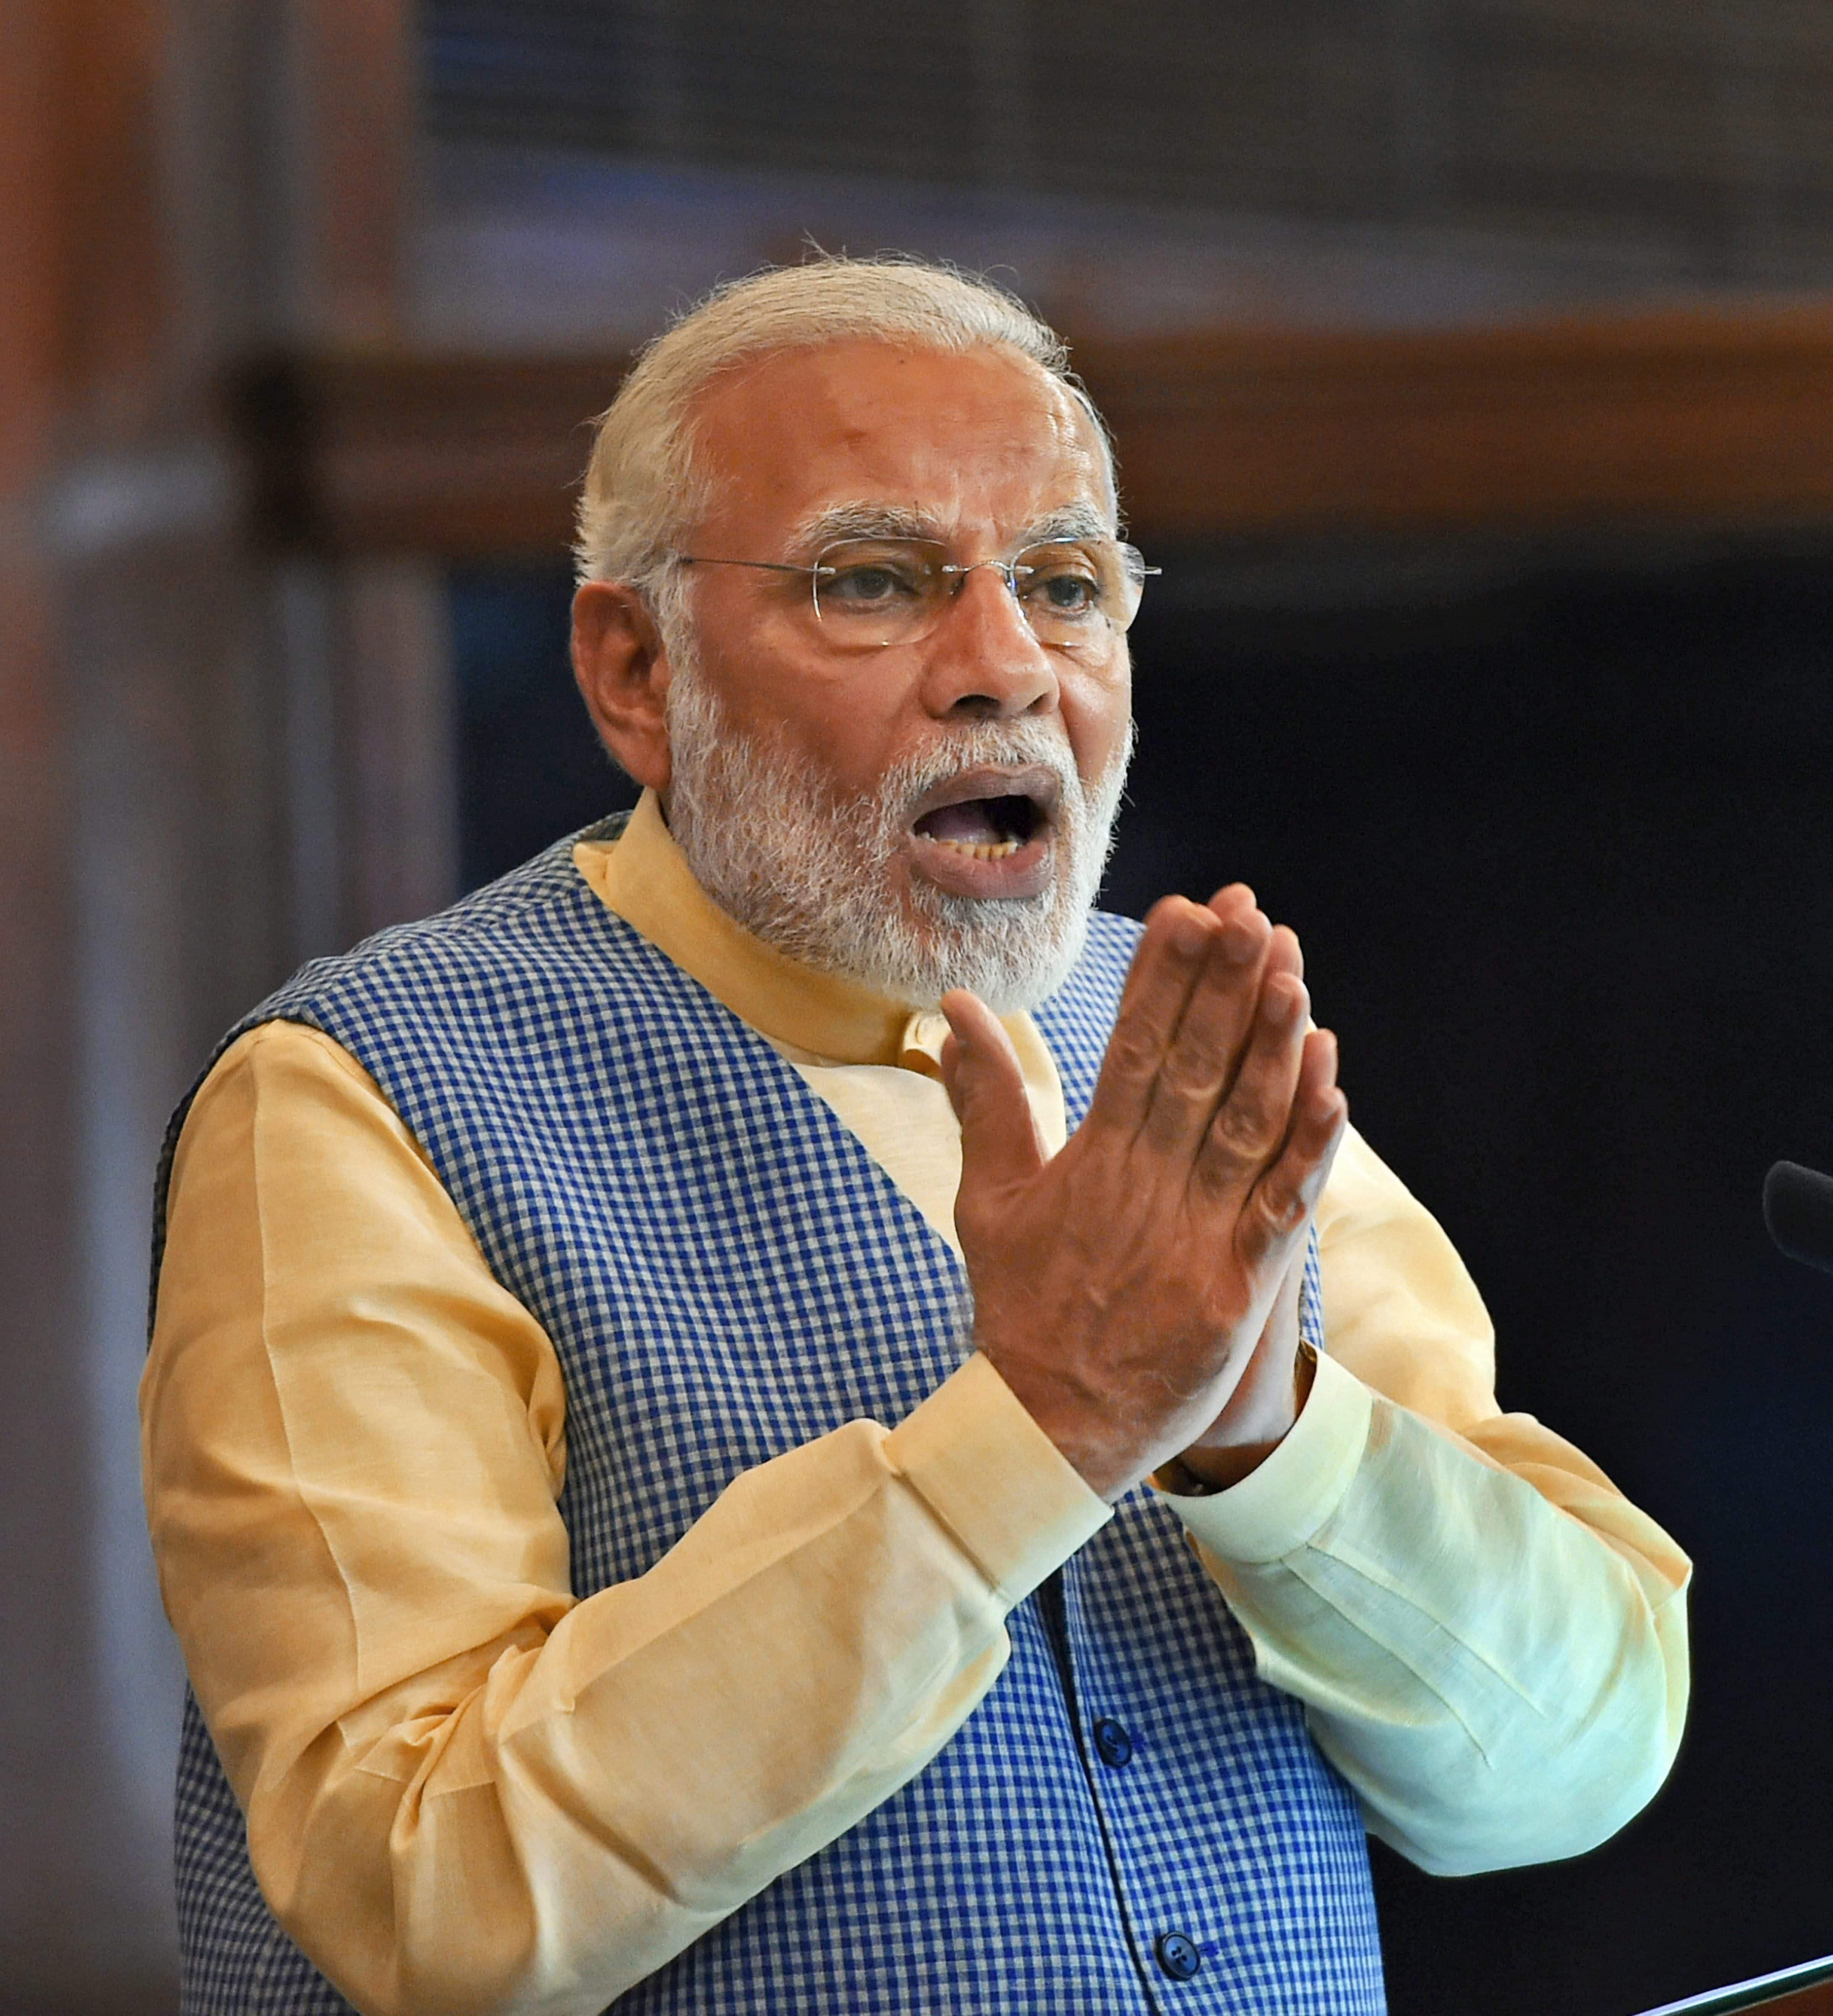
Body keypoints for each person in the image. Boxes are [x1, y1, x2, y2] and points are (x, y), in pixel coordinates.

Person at [142, 258, 1690, 2016]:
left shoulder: (1186, 1059)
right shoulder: (363, 1097)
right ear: (634, 670)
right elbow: (423, 1892)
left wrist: (1265, 1436)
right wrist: (1033, 1428)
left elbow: (1579, 1758)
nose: (1003, 668)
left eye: (1064, 584)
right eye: (872, 582)